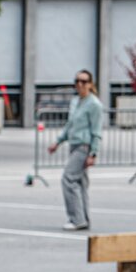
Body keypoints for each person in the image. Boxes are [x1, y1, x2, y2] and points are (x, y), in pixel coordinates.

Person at [48, 69, 103, 231]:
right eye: (77, 81)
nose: (80, 84)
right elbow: (70, 125)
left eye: (84, 81)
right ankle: (83, 219)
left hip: (84, 146)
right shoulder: (75, 101)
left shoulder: (94, 104)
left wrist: (93, 153)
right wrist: (58, 142)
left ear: (90, 84)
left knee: (68, 179)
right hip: (74, 145)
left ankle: (76, 219)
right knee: (80, 183)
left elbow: (96, 131)